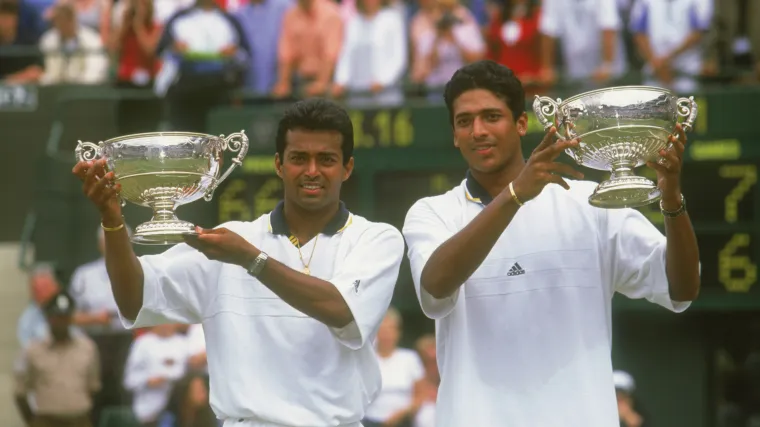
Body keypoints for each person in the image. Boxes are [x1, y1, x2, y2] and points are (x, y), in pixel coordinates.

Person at [71, 98, 405, 427]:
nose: (312, 171)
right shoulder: (231, 240)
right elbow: (134, 298)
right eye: (299, 158)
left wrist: (251, 260)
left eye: (326, 159)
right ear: (279, 164)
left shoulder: (376, 239)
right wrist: (112, 221)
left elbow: (342, 309)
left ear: (347, 168)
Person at [402, 60, 700, 426]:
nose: (477, 130)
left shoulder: (591, 204)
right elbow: (434, 289)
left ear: (521, 124)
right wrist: (515, 195)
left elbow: (682, 288)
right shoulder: (432, 212)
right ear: (453, 134)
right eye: (465, 121)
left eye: (491, 117)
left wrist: (671, 201)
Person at [14, 291, 101, 427]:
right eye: (57, 317)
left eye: (65, 317)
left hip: (79, 420)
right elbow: (20, 392)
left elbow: (93, 388)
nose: (61, 322)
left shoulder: (87, 348)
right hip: (46, 420)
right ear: (48, 318)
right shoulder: (33, 351)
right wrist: (32, 421)